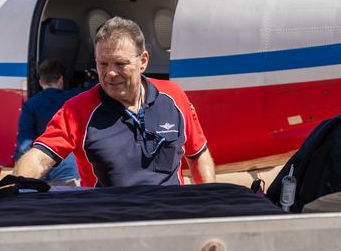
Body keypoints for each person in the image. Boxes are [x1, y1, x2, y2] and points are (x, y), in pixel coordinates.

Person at [13, 17, 216, 186]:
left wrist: (209, 203)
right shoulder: (77, 110)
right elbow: (39, 158)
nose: (110, 73)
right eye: (102, 63)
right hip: (111, 222)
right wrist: (15, 191)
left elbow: (198, 154)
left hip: (170, 216)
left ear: (143, 61)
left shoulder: (173, 97)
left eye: (120, 63)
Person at [14, 59, 81, 184]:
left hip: (40, 162)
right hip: (66, 163)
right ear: (61, 80)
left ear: (41, 82)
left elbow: (24, 141)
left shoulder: (31, 104)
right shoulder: (74, 98)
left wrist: (22, 165)